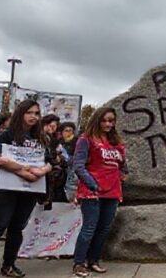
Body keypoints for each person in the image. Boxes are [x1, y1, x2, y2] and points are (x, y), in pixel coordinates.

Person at [0, 100, 53, 278]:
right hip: (8, 189)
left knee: (17, 228)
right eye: (30, 112)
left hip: (30, 190)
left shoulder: (40, 138)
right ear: (21, 114)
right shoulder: (8, 134)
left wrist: (41, 171)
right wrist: (21, 170)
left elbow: (49, 161)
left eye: (37, 113)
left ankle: (8, 265)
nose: (34, 116)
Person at [71, 107, 127, 278]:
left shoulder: (116, 142)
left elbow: (123, 166)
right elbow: (78, 166)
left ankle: (93, 261)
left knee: (103, 229)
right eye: (104, 120)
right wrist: (93, 184)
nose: (108, 124)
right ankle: (79, 263)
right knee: (89, 228)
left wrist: (122, 175)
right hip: (91, 191)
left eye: (111, 120)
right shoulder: (86, 140)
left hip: (112, 191)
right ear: (97, 120)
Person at [41, 114, 70, 205]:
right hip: (41, 174)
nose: (52, 128)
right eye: (49, 125)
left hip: (55, 178)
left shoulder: (55, 141)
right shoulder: (38, 138)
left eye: (54, 126)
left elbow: (65, 159)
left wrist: (59, 159)